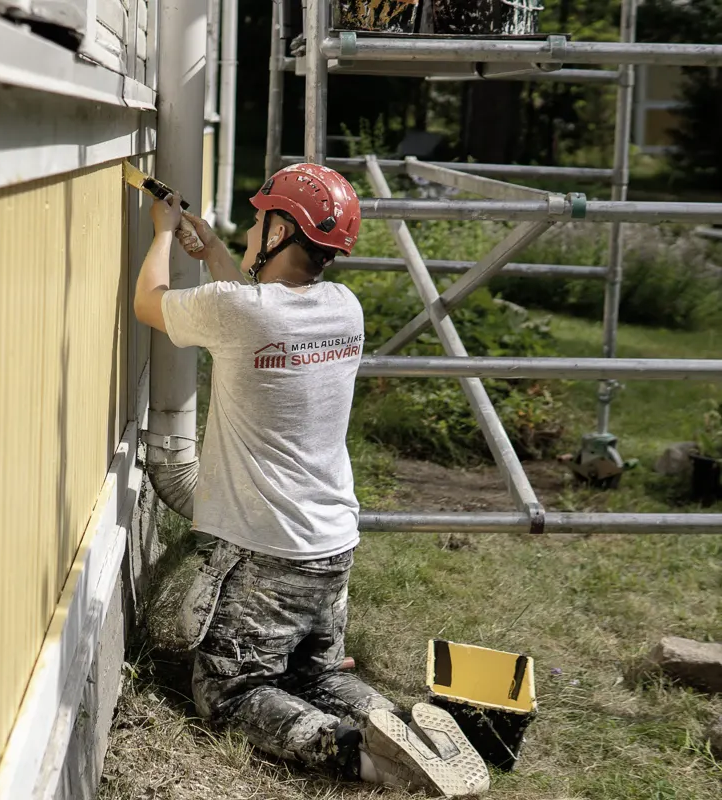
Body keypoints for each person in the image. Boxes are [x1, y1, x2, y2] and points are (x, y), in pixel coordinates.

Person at [133, 163, 489, 797]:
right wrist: (213, 249)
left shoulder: (239, 311)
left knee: (230, 692)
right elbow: (255, 312)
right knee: (315, 676)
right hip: (332, 547)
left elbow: (148, 304)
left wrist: (161, 232)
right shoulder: (342, 310)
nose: (245, 228)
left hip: (267, 553)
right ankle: (406, 726)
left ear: (280, 229)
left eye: (258, 217)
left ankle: (368, 760)